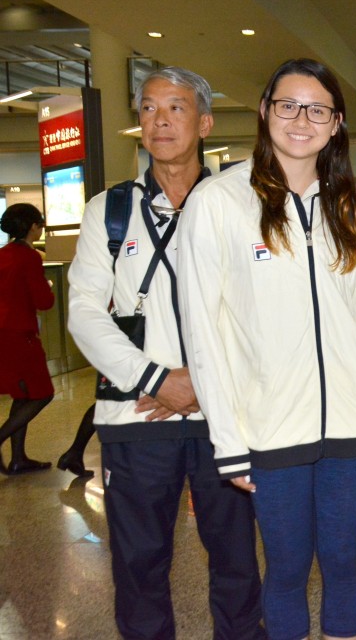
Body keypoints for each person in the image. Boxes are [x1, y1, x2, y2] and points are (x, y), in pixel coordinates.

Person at [178, 58, 356, 640]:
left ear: (336, 122)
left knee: (346, 563)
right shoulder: (219, 201)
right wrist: (227, 439)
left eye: (317, 109)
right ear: (265, 110)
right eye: (288, 105)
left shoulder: (349, 205)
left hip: (349, 422)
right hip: (269, 429)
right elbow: (202, 332)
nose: (302, 119)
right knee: (288, 568)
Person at [67, 67, 264, 639]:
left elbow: (262, 308)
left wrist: (202, 384)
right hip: (135, 416)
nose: (160, 120)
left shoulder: (240, 204)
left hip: (221, 415)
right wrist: (155, 377)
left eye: (176, 108)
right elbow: (83, 310)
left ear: (203, 123)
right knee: (139, 563)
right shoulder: (109, 211)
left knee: (235, 559)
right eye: (149, 108)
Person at [0, 203, 54, 475]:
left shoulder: (3, 254)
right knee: (42, 394)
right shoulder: (30, 257)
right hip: (21, 335)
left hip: (3, 333)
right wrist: (48, 285)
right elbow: (44, 301)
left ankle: (18, 458)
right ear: (33, 226)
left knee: (23, 394)